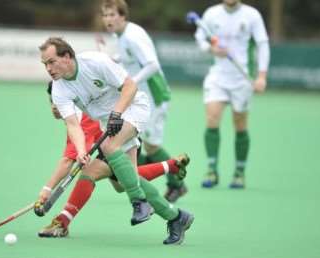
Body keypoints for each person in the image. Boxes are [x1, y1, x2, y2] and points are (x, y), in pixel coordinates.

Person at [39, 37, 194, 245]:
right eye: (45, 64)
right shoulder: (59, 89)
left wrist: (116, 114)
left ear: (66, 56)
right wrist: (81, 151)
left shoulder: (95, 62)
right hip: (108, 122)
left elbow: (130, 86)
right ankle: (177, 218)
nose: (48, 68)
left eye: (51, 62)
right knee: (127, 178)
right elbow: (73, 125)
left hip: (133, 107)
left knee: (109, 146)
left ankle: (138, 201)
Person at [97, 0, 187, 202]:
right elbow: (129, 58)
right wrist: (112, 59)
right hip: (140, 98)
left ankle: (177, 184)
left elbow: (152, 65)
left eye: (112, 15)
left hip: (154, 95)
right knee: (137, 143)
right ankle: (135, 176)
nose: (108, 19)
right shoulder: (120, 35)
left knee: (151, 146)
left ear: (122, 16)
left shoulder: (132, 36)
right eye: (105, 15)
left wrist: (131, 83)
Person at [194, 0, 270, 188]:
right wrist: (211, 49)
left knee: (240, 124)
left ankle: (239, 172)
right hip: (217, 77)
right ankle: (212, 170)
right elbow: (199, 36)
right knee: (212, 119)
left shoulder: (251, 15)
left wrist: (261, 76)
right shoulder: (212, 13)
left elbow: (263, 44)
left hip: (242, 79)